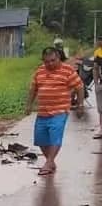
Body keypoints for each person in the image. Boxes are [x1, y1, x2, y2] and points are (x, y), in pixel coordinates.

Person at [26, 46, 84, 175]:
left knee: (55, 138)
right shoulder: (40, 71)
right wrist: (28, 105)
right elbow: (33, 89)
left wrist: (80, 106)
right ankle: (50, 162)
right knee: (40, 139)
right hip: (42, 112)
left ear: (58, 58)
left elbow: (79, 87)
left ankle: (48, 163)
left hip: (60, 111)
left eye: (53, 60)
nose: (50, 64)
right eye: (47, 61)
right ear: (43, 61)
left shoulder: (67, 71)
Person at [93, 38, 102, 137]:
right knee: (101, 108)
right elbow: (95, 69)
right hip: (101, 83)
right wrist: (96, 83)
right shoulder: (98, 53)